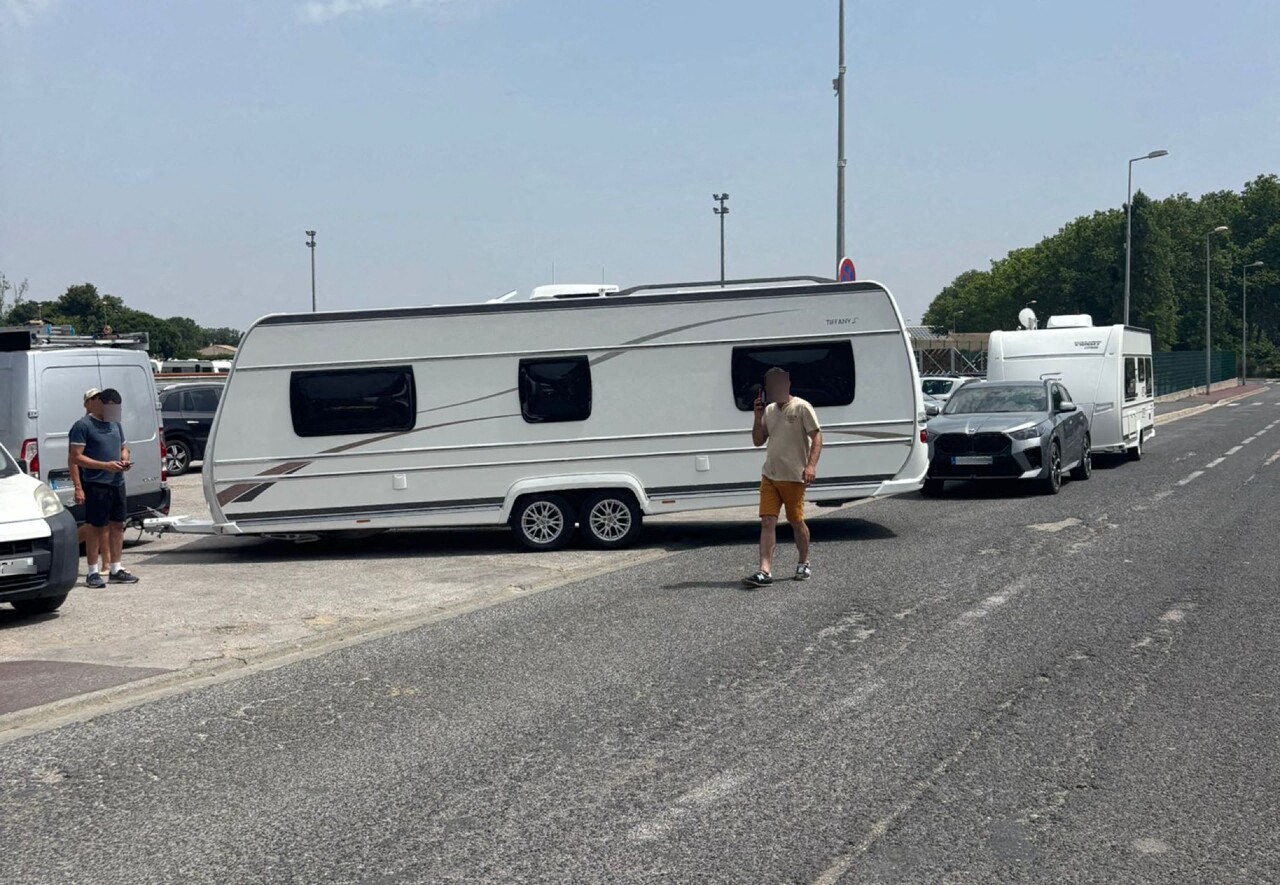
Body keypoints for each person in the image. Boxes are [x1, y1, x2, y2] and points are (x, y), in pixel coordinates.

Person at [743, 367, 823, 588]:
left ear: (787, 384)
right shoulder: (768, 410)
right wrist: (757, 417)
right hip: (770, 475)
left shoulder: (802, 407)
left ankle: (803, 562)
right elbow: (758, 441)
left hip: (794, 476)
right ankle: (764, 571)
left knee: (796, 521)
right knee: (767, 521)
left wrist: (811, 466)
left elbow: (817, 437)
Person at [68, 388, 139, 587]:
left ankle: (116, 568)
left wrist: (124, 459)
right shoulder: (83, 426)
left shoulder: (116, 424)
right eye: (110, 408)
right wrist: (104, 466)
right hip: (96, 484)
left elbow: (123, 447)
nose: (114, 412)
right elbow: (76, 457)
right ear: (99, 403)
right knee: (95, 528)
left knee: (117, 525)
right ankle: (92, 572)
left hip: (117, 483)